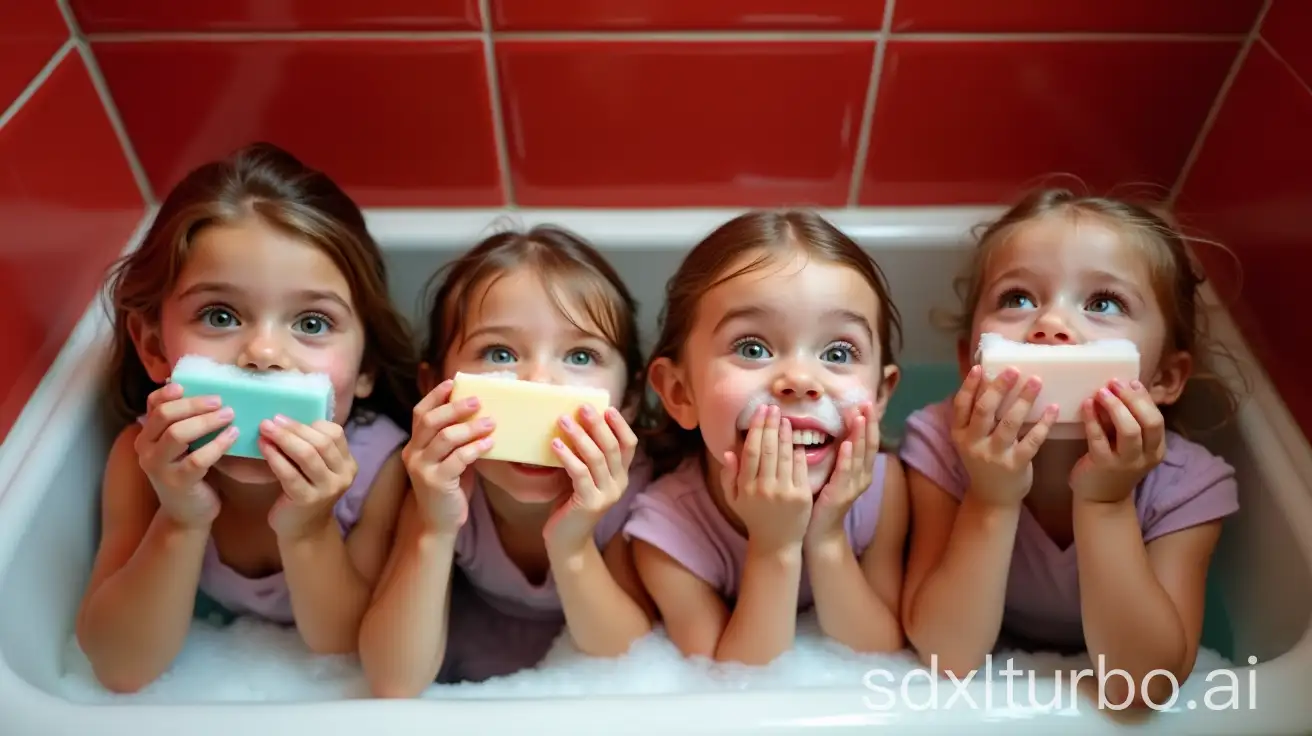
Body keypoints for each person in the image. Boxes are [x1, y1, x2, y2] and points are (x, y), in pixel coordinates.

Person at [75, 142, 418, 693]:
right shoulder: (142, 461)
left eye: (311, 322)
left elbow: (346, 648)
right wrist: (181, 518)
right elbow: (120, 667)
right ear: (154, 348)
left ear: (365, 367)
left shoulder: (382, 465)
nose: (263, 352)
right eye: (220, 315)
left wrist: (308, 528)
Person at [898, 188, 1241, 707]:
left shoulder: (1187, 487)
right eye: (1018, 298)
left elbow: (1140, 688)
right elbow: (947, 656)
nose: (1052, 324)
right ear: (971, 358)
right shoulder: (941, 444)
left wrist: (1106, 503)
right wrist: (990, 498)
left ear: (1166, 378)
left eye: (1104, 303)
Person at [359, 224, 655, 696]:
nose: (539, 382)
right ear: (434, 385)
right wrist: (434, 527)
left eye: (580, 356)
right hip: (472, 652)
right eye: (499, 353)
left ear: (630, 399)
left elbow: (627, 662)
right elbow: (393, 681)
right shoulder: (438, 482)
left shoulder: (633, 492)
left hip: (583, 669)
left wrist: (573, 544)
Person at [625, 210, 908, 665]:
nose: (799, 379)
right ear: (680, 393)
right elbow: (737, 684)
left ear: (879, 395)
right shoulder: (665, 529)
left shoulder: (882, 487)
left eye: (838, 352)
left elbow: (880, 653)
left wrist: (827, 535)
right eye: (752, 348)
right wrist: (773, 545)